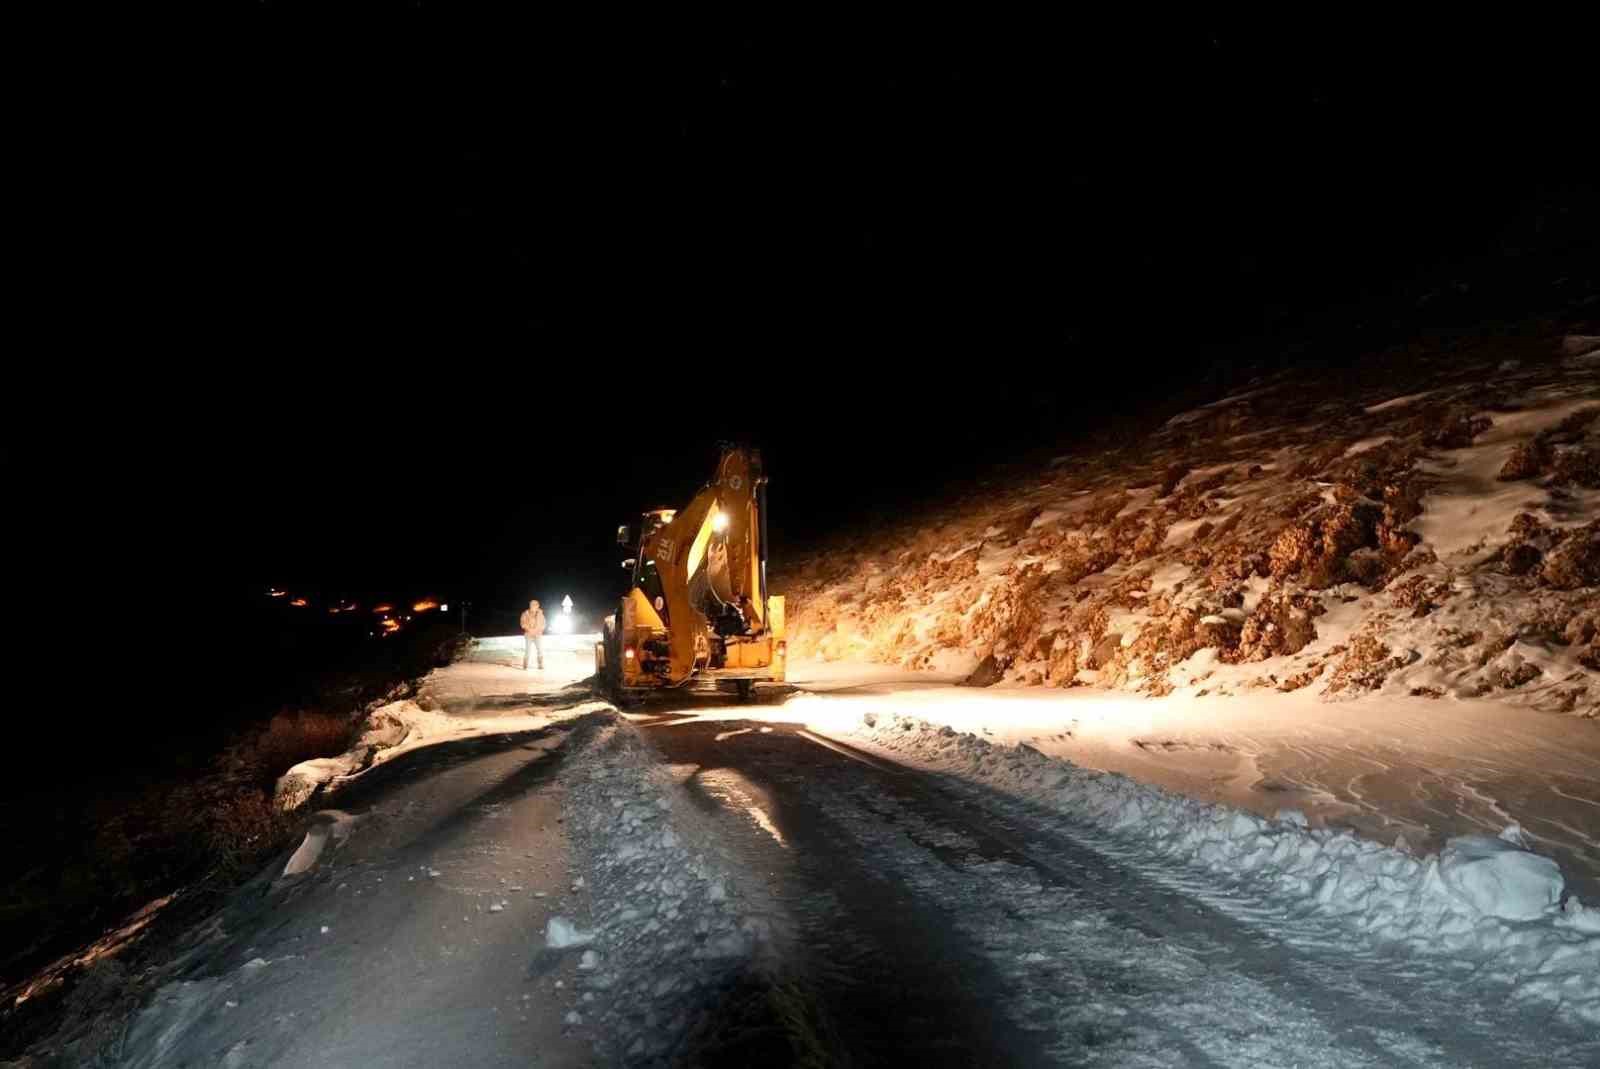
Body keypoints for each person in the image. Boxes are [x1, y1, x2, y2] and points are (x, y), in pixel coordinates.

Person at [520, 598, 546, 670]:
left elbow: (544, 624)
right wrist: (529, 630)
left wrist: (539, 630)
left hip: (538, 635)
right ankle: (525, 665)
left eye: (535, 605)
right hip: (529, 635)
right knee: (527, 650)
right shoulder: (525, 614)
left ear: (538, 606)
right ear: (530, 605)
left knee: (540, 650)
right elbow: (523, 623)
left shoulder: (540, 614)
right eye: (532, 605)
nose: (533, 606)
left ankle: (540, 665)